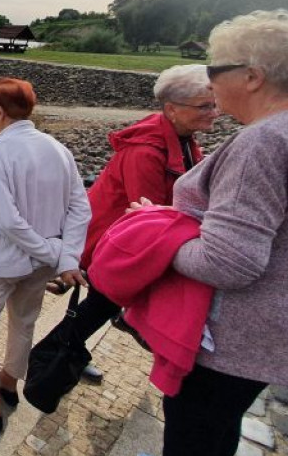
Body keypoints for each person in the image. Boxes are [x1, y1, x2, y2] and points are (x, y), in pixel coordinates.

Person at [97, 10, 288, 456]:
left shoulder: (269, 140)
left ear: (252, 75)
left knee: (196, 430)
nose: (210, 84)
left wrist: (158, 237)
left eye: (214, 70)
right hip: (286, 328)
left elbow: (228, 261)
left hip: (232, 335)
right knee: (217, 431)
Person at [57, 64, 217, 381]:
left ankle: (67, 354)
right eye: (204, 106)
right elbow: (147, 215)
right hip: (113, 244)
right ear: (171, 108)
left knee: (97, 307)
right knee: (98, 305)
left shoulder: (182, 137)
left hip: (121, 242)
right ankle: (57, 359)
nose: (215, 112)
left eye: (214, 104)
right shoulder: (146, 151)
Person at [0, 77, 90, 433]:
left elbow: (6, 219)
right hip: (41, 262)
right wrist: (65, 256)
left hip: (0, 260)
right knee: (24, 320)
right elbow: (80, 207)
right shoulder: (57, 148)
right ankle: (8, 382)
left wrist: (53, 251)